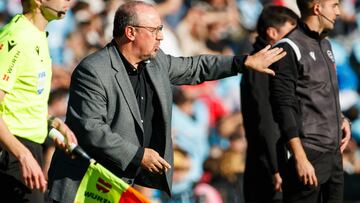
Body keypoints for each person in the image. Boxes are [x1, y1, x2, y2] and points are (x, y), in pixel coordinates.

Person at [47, 1, 286, 202]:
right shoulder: (93, 70)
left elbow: (196, 67)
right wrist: (139, 155)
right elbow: (91, 130)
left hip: (120, 184)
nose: (161, 36)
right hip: (85, 184)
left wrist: (242, 63)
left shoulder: (156, 61)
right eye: (155, 30)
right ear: (131, 32)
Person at [269, 0, 351, 202]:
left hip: (333, 155)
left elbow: (319, 93)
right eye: (334, 5)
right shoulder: (288, 48)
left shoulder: (325, 43)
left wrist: (341, 118)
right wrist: (300, 157)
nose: (339, 12)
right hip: (308, 155)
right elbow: (283, 106)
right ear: (317, 8)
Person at [0, 0, 77, 203]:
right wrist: (22, 155)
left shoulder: (38, 35)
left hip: (29, 149)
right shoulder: (16, 36)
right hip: (13, 152)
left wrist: (55, 124)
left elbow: (24, 100)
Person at [241, 5, 298, 203]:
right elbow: (266, 120)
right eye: (291, 32)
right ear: (272, 33)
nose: (295, 39)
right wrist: (276, 167)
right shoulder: (261, 66)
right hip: (269, 169)